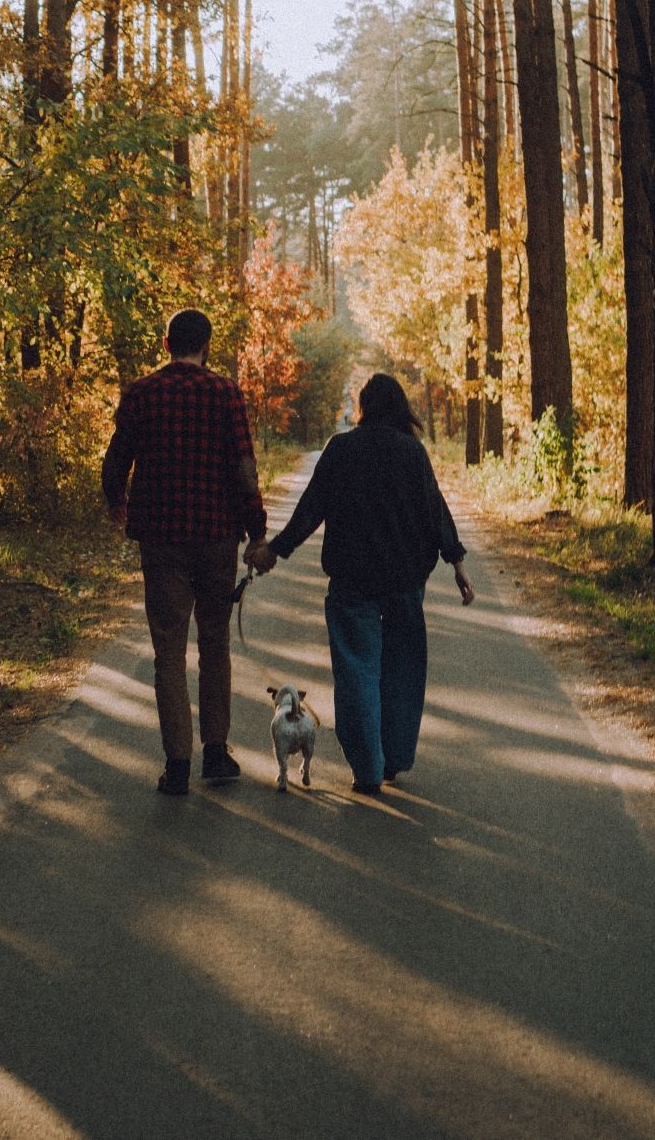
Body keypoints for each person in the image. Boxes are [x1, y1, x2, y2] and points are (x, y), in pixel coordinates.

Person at [245, 373, 473, 796]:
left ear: (363, 406)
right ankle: (394, 758)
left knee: (357, 675)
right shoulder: (412, 452)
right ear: (401, 408)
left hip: (353, 583)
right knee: (402, 672)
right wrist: (456, 562)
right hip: (405, 582)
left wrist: (275, 549)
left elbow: (311, 508)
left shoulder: (342, 449)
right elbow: (435, 509)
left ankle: (368, 769)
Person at [102, 308, 267, 796]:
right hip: (217, 536)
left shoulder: (142, 394)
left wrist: (117, 502)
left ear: (167, 342)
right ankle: (215, 754)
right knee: (214, 641)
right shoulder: (225, 394)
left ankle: (177, 763)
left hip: (161, 538)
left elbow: (116, 459)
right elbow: (244, 468)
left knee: (168, 649)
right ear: (207, 345)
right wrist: (256, 531)